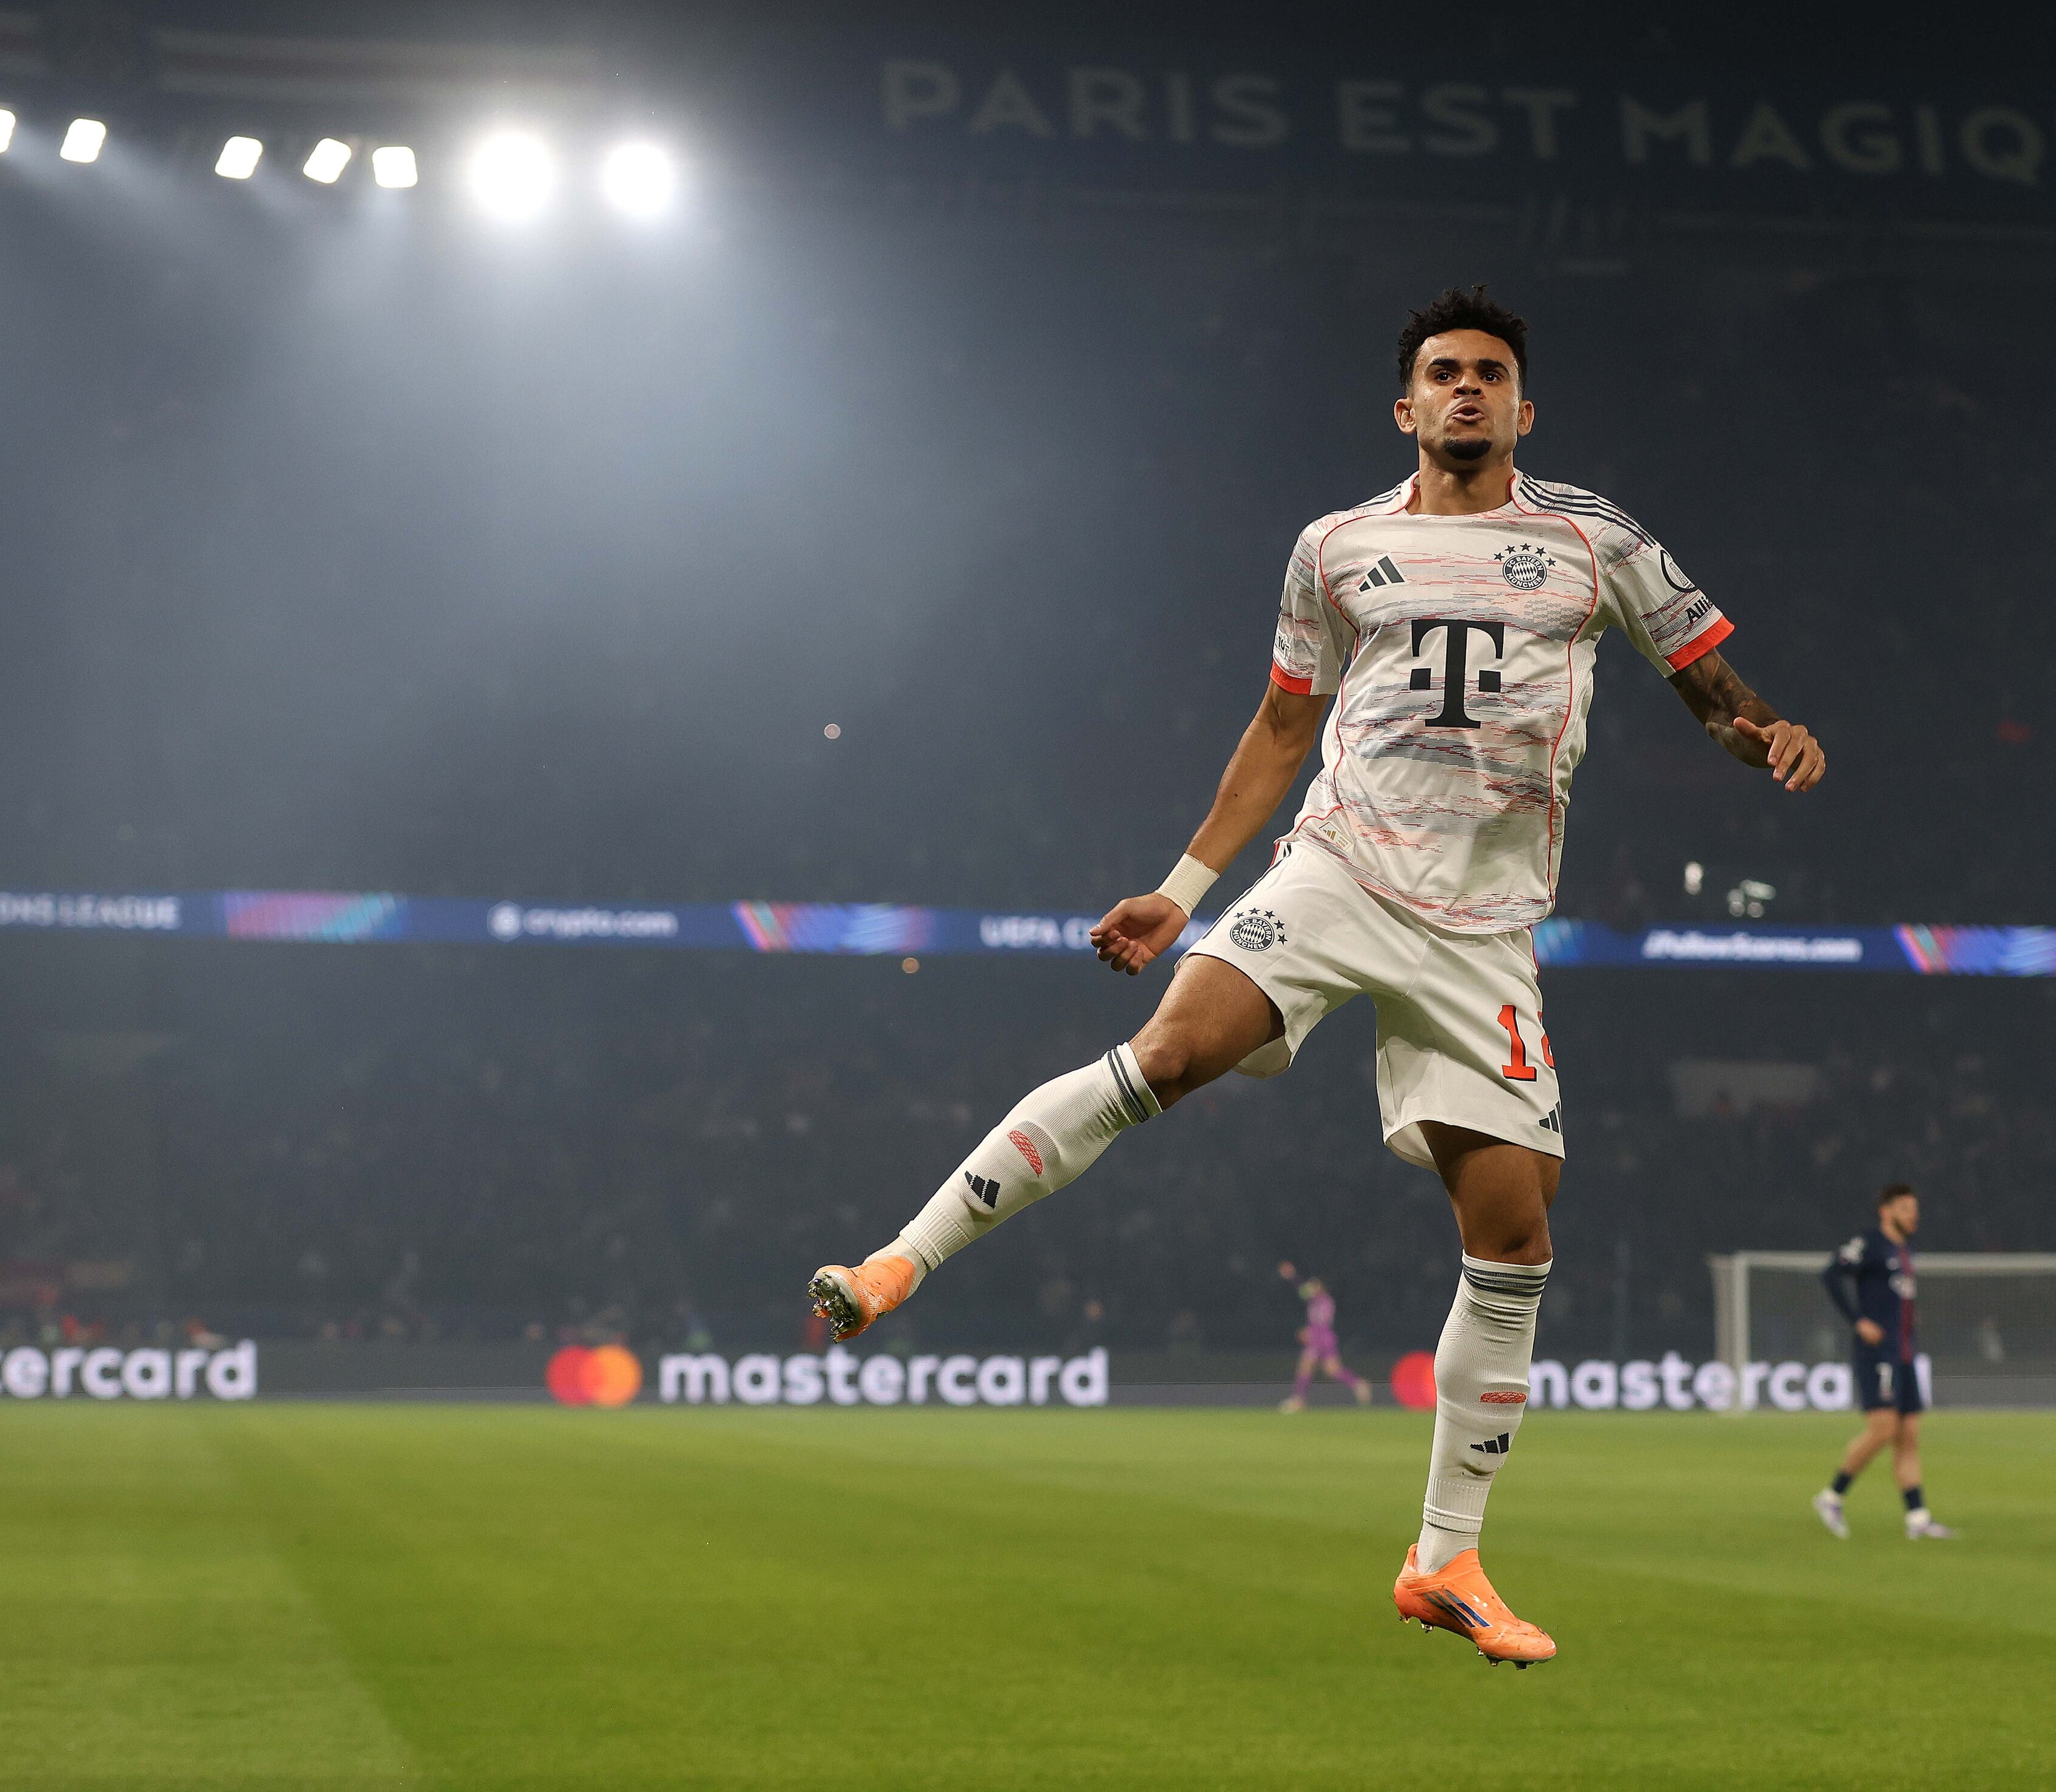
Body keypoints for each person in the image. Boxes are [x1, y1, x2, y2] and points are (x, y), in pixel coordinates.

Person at [807, 286, 1827, 1667]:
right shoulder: (1338, 548)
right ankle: (895, 1261)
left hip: (1487, 924)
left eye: (1489, 375)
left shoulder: (1594, 542)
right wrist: (1180, 890)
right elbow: (1284, 726)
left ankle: (1445, 1556)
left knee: (1516, 1235)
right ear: (1404, 406)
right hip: (1340, 869)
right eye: (1441, 373)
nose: (1465, 390)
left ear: (1524, 408)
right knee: (1168, 1054)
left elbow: (1709, 681)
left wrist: (1765, 732)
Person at [1811, 1185, 1953, 1541]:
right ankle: (1831, 1497)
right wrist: (1858, 1320)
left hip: (1904, 1354)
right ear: (1886, 1212)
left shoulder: (1904, 1250)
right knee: (1883, 1431)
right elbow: (1831, 1274)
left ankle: (1918, 1519)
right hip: (1878, 1355)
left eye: (1915, 1209)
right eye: (1905, 1209)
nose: (1913, 1216)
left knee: (1909, 1437)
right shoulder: (1870, 1244)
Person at [1278, 1261, 1369, 1410]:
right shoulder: (1318, 1301)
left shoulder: (1323, 1301)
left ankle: (1298, 1399)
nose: (1310, 1289)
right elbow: (1302, 1291)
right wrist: (1292, 1277)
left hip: (1321, 1338)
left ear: (1320, 1287)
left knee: (1306, 1365)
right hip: (1326, 1338)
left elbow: (1320, 1323)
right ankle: (1358, 1384)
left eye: (1313, 1286)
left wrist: (1309, 1333)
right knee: (1333, 1370)